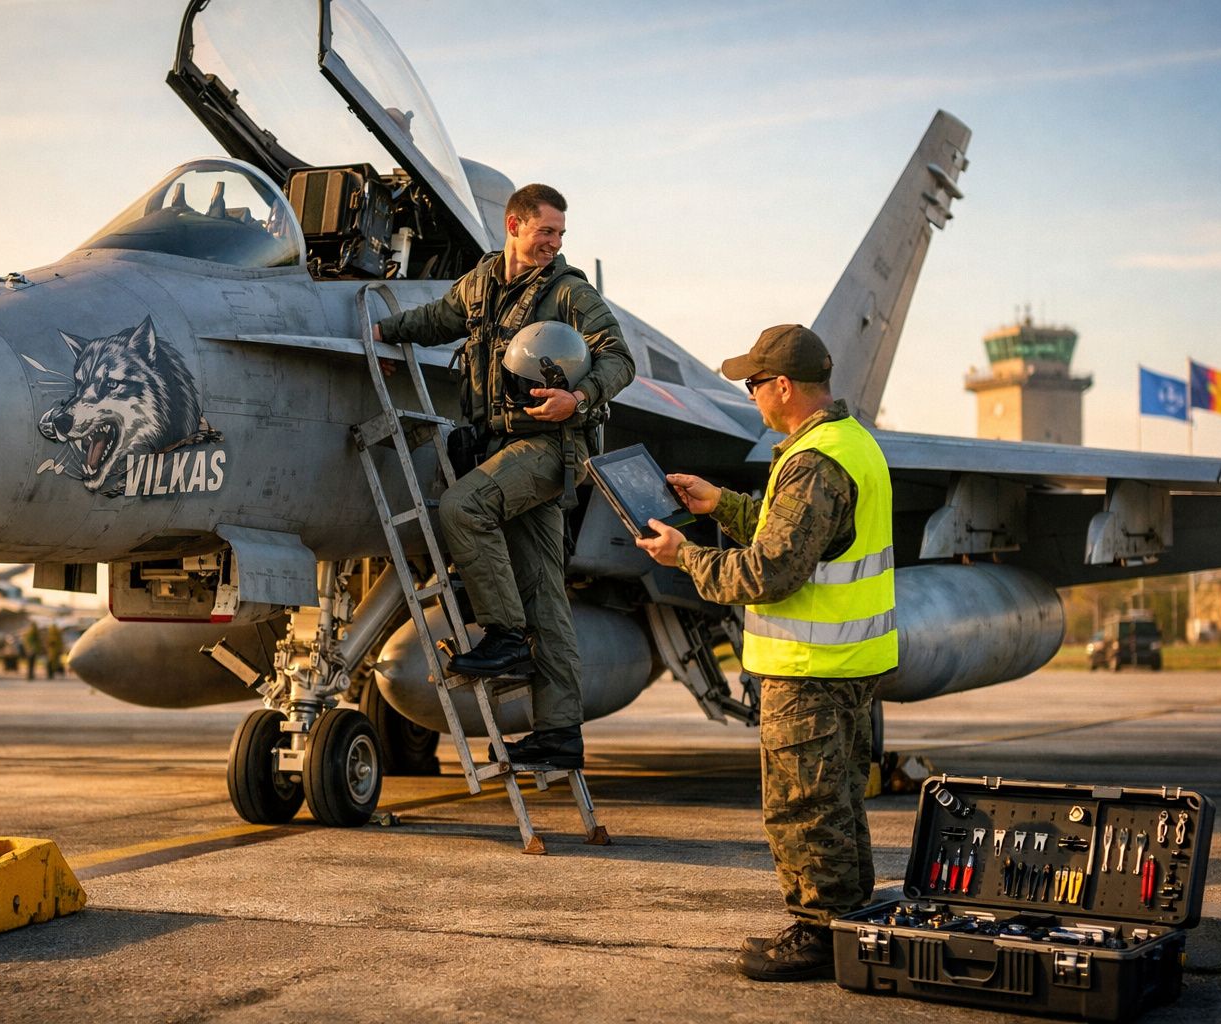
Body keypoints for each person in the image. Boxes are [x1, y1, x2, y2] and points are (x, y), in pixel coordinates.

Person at [634, 324, 896, 982]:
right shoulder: (846, 442)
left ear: (783, 386)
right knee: (836, 799)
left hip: (809, 669)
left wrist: (683, 556)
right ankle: (848, 916)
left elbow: (770, 573)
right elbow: (802, 536)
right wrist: (722, 504)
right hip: (844, 666)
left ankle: (818, 931)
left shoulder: (815, 461)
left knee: (802, 804)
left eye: (752, 384)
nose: (748, 395)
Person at [374, 183, 635, 768]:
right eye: (546, 231)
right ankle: (560, 734)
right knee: (547, 597)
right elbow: (440, 318)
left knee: (463, 508)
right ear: (514, 226)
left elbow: (619, 358)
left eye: (560, 234)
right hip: (499, 446)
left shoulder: (569, 294)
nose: (554, 243)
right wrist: (385, 331)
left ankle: (503, 635)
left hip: (549, 445)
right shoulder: (482, 283)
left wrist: (580, 397)